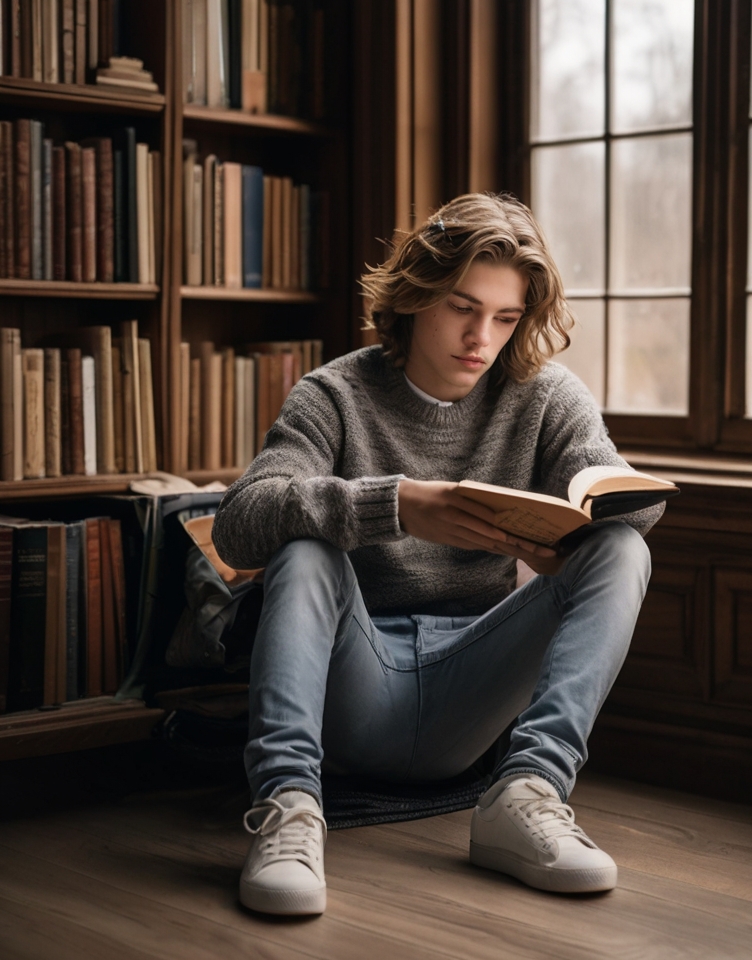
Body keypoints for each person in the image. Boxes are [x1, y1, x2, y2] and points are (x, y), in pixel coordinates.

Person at [211, 192, 663, 916]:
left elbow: (631, 501)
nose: (481, 337)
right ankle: (288, 808)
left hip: (473, 693)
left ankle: (529, 793)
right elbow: (239, 524)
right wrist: (399, 505)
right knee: (304, 551)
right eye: (462, 307)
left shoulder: (544, 396)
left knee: (622, 549)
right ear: (416, 295)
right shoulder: (333, 395)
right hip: (354, 683)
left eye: (506, 318)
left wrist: (572, 531)